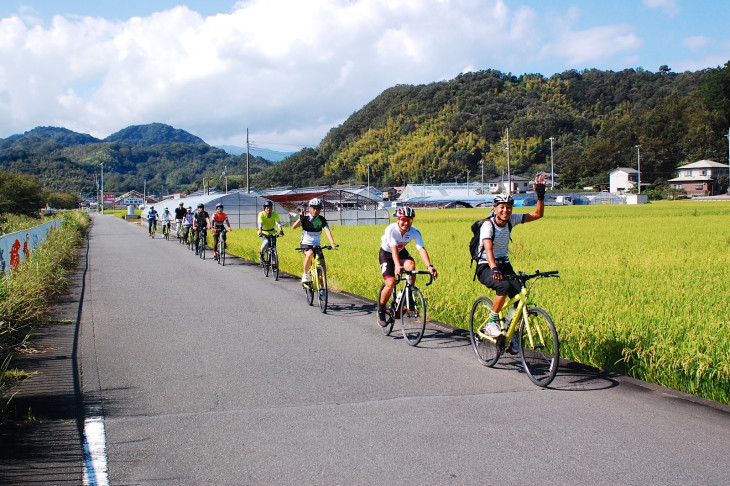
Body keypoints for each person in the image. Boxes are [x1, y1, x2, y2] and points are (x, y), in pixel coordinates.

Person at [475, 176, 546, 353]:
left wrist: (540, 196)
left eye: (508, 207)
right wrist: (493, 268)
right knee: (504, 286)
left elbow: (537, 214)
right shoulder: (487, 225)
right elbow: (488, 249)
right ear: (495, 209)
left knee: (518, 295)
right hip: (486, 266)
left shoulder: (511, 220)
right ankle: (491, 323)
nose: (506, 210)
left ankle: (509, 333)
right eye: (502, 207)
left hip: (504, 264)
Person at [376, 207, 438, 326]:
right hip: (387, 254)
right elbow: (393, 250)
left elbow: (421, 249)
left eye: (409, 221)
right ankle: (381, 311)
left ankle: (408, 293)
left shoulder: (414, 231)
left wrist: (429, 266)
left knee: (411, 266)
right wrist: (397, 266)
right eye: (403, 219)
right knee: (390, 283)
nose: (406, 223)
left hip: (401, 252)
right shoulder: (391, 230)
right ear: (398, 219)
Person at [291, 198, 337, 283]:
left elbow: (327, 230)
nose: (315, 210)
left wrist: (332, 242)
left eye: (318, 208)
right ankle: (305, 274)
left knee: (322, 263)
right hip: (305, 243)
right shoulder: (305, 218)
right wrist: (300, 219)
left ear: (320, 209)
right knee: (310, 254)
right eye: (313, 208)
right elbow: (293, 227)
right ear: (310, 208)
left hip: (316, 244)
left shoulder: (322, 219)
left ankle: (322, 288)